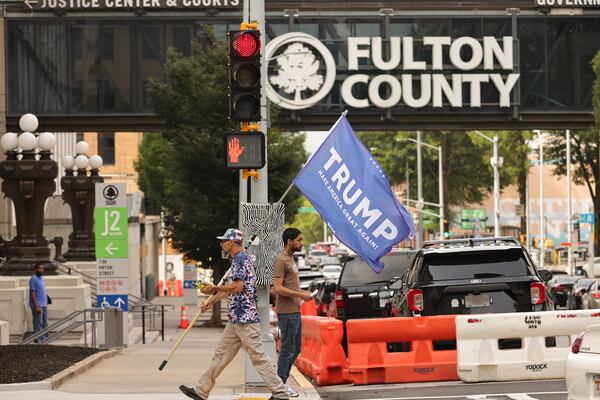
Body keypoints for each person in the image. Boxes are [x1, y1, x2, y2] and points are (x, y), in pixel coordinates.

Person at [179, 228, 289, 400]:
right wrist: (211, 301)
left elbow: (237, 287)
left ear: (231, 242)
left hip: (245, 319)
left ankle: (281, 393)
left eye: (224, 241)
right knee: (220, 356)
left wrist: (214, 288)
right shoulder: (237, 260)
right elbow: (230, 290)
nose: (222, 244)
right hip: (236, 319)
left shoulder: (240, 260)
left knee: (258, 358)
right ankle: (201, 391)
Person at [273, 227, 314, 397]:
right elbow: (277, 288)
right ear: (289, 241)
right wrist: (300, 295)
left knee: (296, 348)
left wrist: (302, 295)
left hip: (295, 310)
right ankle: (280, 386)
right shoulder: (281, 260)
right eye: (299, 240)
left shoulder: (291, 259)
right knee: (287, 350)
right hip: (287, 312)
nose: (301, 243)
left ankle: (282, 382)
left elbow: (289, 285)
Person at [29, 262, 48, 343]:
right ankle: (40, 340)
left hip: (44, 304)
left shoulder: (42, 278)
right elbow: (32, 292)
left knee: (45, 323)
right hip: (37, 305)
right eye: (40, 268)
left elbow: (41, 290)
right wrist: (37, 306)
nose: (41, 270)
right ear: (36, 269)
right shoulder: (33, 278)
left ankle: (45, 338)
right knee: (38, 323)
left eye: (42, 268)